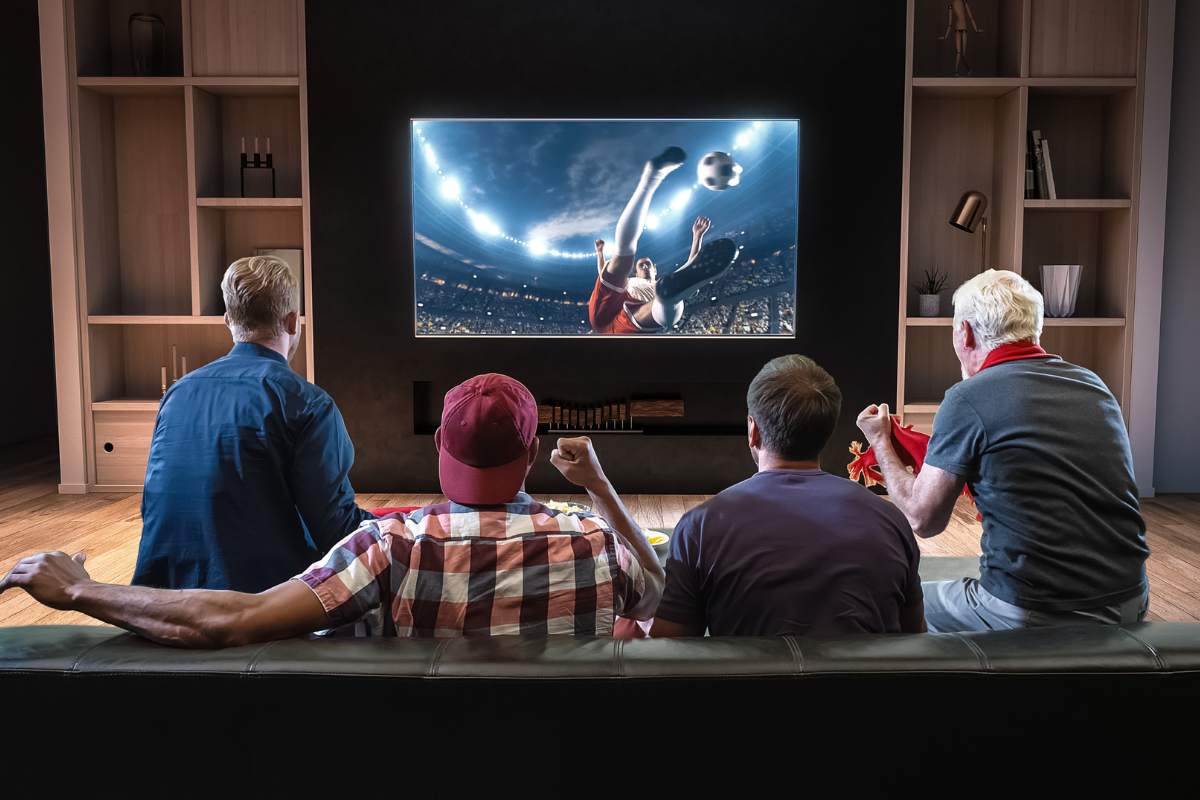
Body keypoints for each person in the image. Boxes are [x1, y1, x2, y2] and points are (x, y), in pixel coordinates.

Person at [0, 374, 664, 646]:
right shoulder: (593, 540)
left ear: (440, 450)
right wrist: (601, 489)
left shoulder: (391, 543)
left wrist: (79, 588)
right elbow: (660, 599)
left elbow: (233, 620)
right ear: (530, 455)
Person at [856, 269, 1149, 632]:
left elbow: (922, 519)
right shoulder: (1094, 385)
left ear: (964, 332)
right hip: (1132, 600)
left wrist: (881, 441)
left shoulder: (968, 397)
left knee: (880, 602)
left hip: (1035, 610)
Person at [132, 255, 372, 594]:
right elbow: (337, 531)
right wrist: (401, 526)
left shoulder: (177, 393)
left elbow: (154, 506)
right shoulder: (309, 404)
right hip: (256, 607)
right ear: (293, 321)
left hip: (161, 599)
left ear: (228, 321)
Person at [650, 355, 926, 637]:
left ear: (752, 430)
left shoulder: (699, 526)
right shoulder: (891, 520)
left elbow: (671, 653)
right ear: (827, 431)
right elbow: (914, 636)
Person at [588, 147, 738, 334]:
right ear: (636, 272)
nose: (644, 266)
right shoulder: (630, 281)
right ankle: (650, 180)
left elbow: (692, 267)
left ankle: (669, 300)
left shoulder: (661, 283)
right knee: (622, 256)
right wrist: (600, 253)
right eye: (641, 265)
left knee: (669, 300)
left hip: (635, 318)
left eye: (647, 264)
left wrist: (696, 236)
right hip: (609, 307)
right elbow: (604, 275)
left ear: (655, 269)